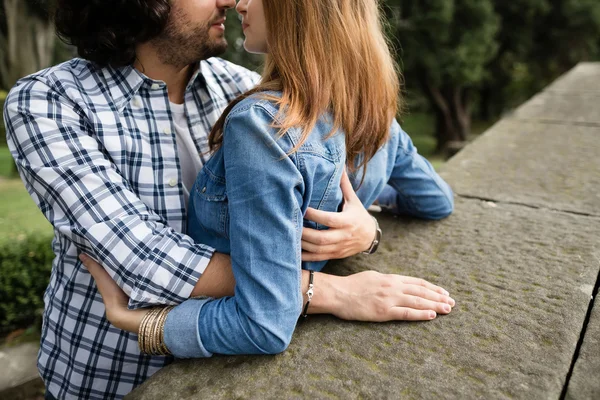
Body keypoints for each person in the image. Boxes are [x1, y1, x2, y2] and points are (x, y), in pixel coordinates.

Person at [3, 0, 452, 399]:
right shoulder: (48, 101)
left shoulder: (240, 88)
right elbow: (145, 258)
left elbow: (332, 184)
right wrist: (323, 290)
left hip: (219, 367)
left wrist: (365, 229)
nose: (228, 0)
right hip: (111, 368)